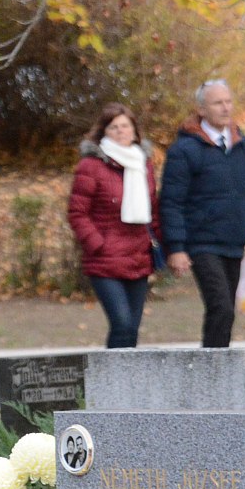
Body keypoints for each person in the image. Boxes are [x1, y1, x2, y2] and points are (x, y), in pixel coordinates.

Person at [159, 79, 245, 348]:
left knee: (226, 313)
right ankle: (212, 372)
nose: (225, 107)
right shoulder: (184, 150)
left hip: (234, 243)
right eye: (217, 103)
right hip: (202, 243)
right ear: (201, 109)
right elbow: (171, 202)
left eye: (228, 101)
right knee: (221, 307)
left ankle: (217, 366)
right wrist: (176, 248)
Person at [67, 102, 161, 349]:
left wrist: (165, 247)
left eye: (125, 126)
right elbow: (77, 212)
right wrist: (98, 244)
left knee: (132, 331)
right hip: (105, 260)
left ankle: (127, 387)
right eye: (114, 127)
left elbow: (153, 210)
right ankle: (109, 386)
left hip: (138, 257)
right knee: (122, 325)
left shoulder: (144, 164)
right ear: (104, 132)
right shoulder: (91, 166)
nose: (121, 131)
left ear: (134, 130)